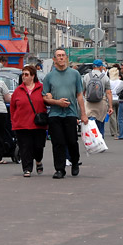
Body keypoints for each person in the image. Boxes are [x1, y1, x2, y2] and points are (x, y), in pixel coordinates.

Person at [42, 48, 88, 179]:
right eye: (58, 56)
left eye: (63, 55)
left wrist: (83, 114)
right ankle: (60, 169)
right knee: (57, 142)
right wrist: (56, 102)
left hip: (70, 113)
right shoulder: (49, 77)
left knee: (72, 141)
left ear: (66, 58)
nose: (61, 58)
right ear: (54, 59)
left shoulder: (75, 74)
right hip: (55, 114)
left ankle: (74, 162)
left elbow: (79, 95)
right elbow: (45, 97)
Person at [10, 65, 47, 177]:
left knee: (38, 147)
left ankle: (38, 161)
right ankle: (27, 168)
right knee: (25, 147)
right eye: (23, 74)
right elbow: (12, 107)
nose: (24, 77)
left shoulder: (41, 88)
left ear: (33, 76)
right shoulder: (18, 90)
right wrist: (14, 121)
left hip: (38, 124)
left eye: (26, 74)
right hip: (22, 124)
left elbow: (48, 100)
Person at [82, 60, 113, 138]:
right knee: (100, 124)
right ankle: (100, 143)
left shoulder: (86, 76)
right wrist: (110, 106)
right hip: (101, 102)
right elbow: (109, 93)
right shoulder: (105, 77)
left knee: (90, 124)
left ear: (93, 66)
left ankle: (91, 142)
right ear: (101, 67)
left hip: (89, 103)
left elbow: (82, 90)